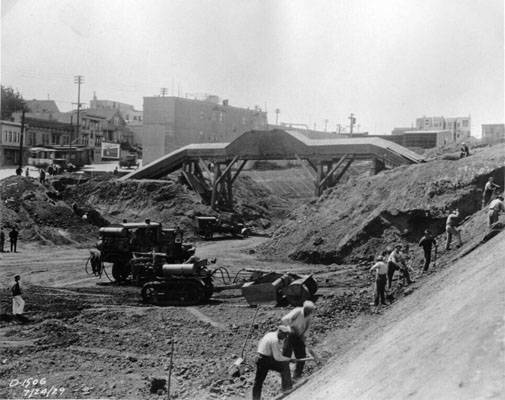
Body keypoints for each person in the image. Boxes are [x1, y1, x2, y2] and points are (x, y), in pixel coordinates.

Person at [252, 326, 295, 400]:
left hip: (260, 358)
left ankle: (255, 399)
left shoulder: (270, 334)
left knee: (258, 382)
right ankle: (287, 389)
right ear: (280, 331)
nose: (285, 336)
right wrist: (290, 359)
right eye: (285, 334)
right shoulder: (274, 340)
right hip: (265, 360)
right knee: (284, 366)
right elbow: (278, 357)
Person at [281, 300, 315, 379]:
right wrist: (291, 328)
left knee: (302, 356)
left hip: (299, 336)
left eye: (310, 311)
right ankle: (285, 377)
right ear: (304, 309)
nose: (309, 313)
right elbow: (284, 319)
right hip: (290, 335)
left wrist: (304, 336)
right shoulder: (297, 311)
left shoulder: (309, 316)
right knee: (286, 356)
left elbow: (308, 328)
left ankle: (297, 376)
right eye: (308, 311)